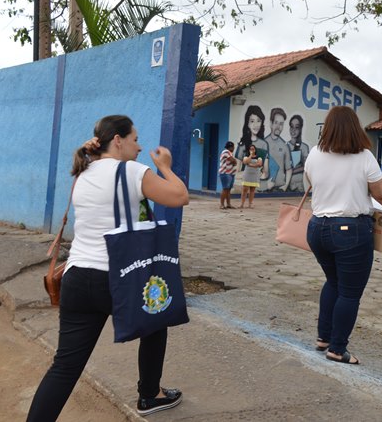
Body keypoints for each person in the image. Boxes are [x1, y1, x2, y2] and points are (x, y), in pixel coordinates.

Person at [27, 115, 189, 420]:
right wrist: (165, 166)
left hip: (76, 278)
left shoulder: (81, 172)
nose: (138, 147)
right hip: (119, 279)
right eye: (135, 139)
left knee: (65, 366)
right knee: (156, 319)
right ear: (118, 140)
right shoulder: (131, 172)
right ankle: (149, 395)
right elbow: (180, 196)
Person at [305, 106, 382, 365]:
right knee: (349, 293)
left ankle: (324, 338)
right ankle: (337, 349)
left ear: (328, 128)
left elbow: (312, 181)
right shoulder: (364, 157)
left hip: (317, 228)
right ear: (355, 128)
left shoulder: (314, 153)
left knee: (333, 282)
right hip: (349, 232)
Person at [236, 105, 269, 183]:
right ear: (247, 123)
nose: (255, 125)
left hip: (258, 179)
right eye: (252, 121)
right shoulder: (243, 144)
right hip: (245, 178)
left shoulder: (264, 144)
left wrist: (262, 175)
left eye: (258, 121)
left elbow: (265, 170)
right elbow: (237, 169)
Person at [264, 107, 293, 191]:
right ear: (271, 123)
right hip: (264, 189)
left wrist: (286, 185)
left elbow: (288, 169)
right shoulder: (263, 144)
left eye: (281, 124)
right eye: (276, 122)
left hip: (280, 189)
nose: (278, 126)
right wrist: (263, 185)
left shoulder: (285, 146)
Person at [287, 114, 310, 192]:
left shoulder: (304, 147)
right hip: (286, 185)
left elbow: (306, 166)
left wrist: (292, 171)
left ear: (300, 129)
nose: (293, 130)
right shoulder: (285, 146)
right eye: (291, 126)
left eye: (296, 127)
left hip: (299, 185)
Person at [239, 144, 263, 208]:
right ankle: (242, 204)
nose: (252, 150)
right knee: (244, 190)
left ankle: (250, 204)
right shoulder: (246, 156)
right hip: (247, 175)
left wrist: (250, 165)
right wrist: (250, 155)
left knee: (252, 190)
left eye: (253, 149)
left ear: (255, 150)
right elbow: (246, 162)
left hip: (255, 175)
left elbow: (259, 164)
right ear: (249, 150)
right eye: (251, 149)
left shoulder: (259, 157)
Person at [218, 141, 238, 209]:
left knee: (228, 189)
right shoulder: (226, 152)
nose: (234, 148)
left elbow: (234, 162)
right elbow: (233, 161)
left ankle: (228, 204)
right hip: (225, 173)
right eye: (233, 147)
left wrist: (234, 162)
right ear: (230, 147)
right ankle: (222, 204)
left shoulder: (230, 153)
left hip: (231, 173)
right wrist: (234, 161)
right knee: (225, 189)